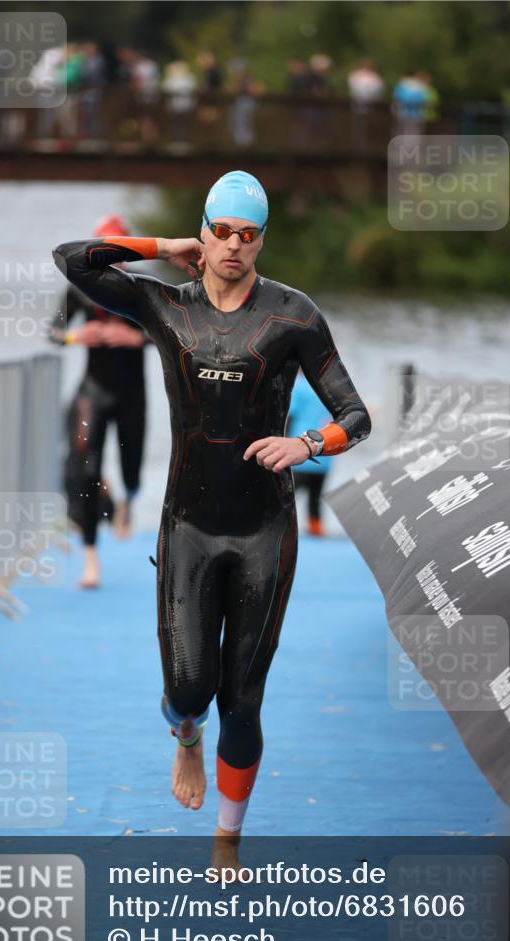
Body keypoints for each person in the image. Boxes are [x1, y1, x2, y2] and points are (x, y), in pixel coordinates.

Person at [53, 171, 371, 871]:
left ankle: (227, 838)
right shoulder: (164, 305)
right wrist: (161, 245)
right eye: (221, 230)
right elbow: (72, 260)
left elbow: (357, 416)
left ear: (262, 241)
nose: (232, 245)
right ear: (204, 231)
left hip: (264, 528)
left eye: (247, 234)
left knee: (244, 698)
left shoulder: (292, 317)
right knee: (188, 691)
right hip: (189, 527)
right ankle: (185, 735)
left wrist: (307, 444)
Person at [49, 213, 148, 588]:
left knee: (133, 470)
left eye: (115, 252)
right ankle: (91, 560)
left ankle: (128, 498)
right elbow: (53, 332)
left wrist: (136, 339)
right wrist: (79, 336)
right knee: (86, 474)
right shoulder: (78, 289)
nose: (108, 258)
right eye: (101, 250)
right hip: (93, 390)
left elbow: (172, 334)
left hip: (132, 393)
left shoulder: (141, 288)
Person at [287, 371, 334, 536]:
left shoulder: (298, 386)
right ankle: (316, 527)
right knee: (316, 496)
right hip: (325, 451)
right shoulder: (330, 386)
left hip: (299, 450)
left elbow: (289, 416)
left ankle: (273, 526)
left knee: (286, 498)